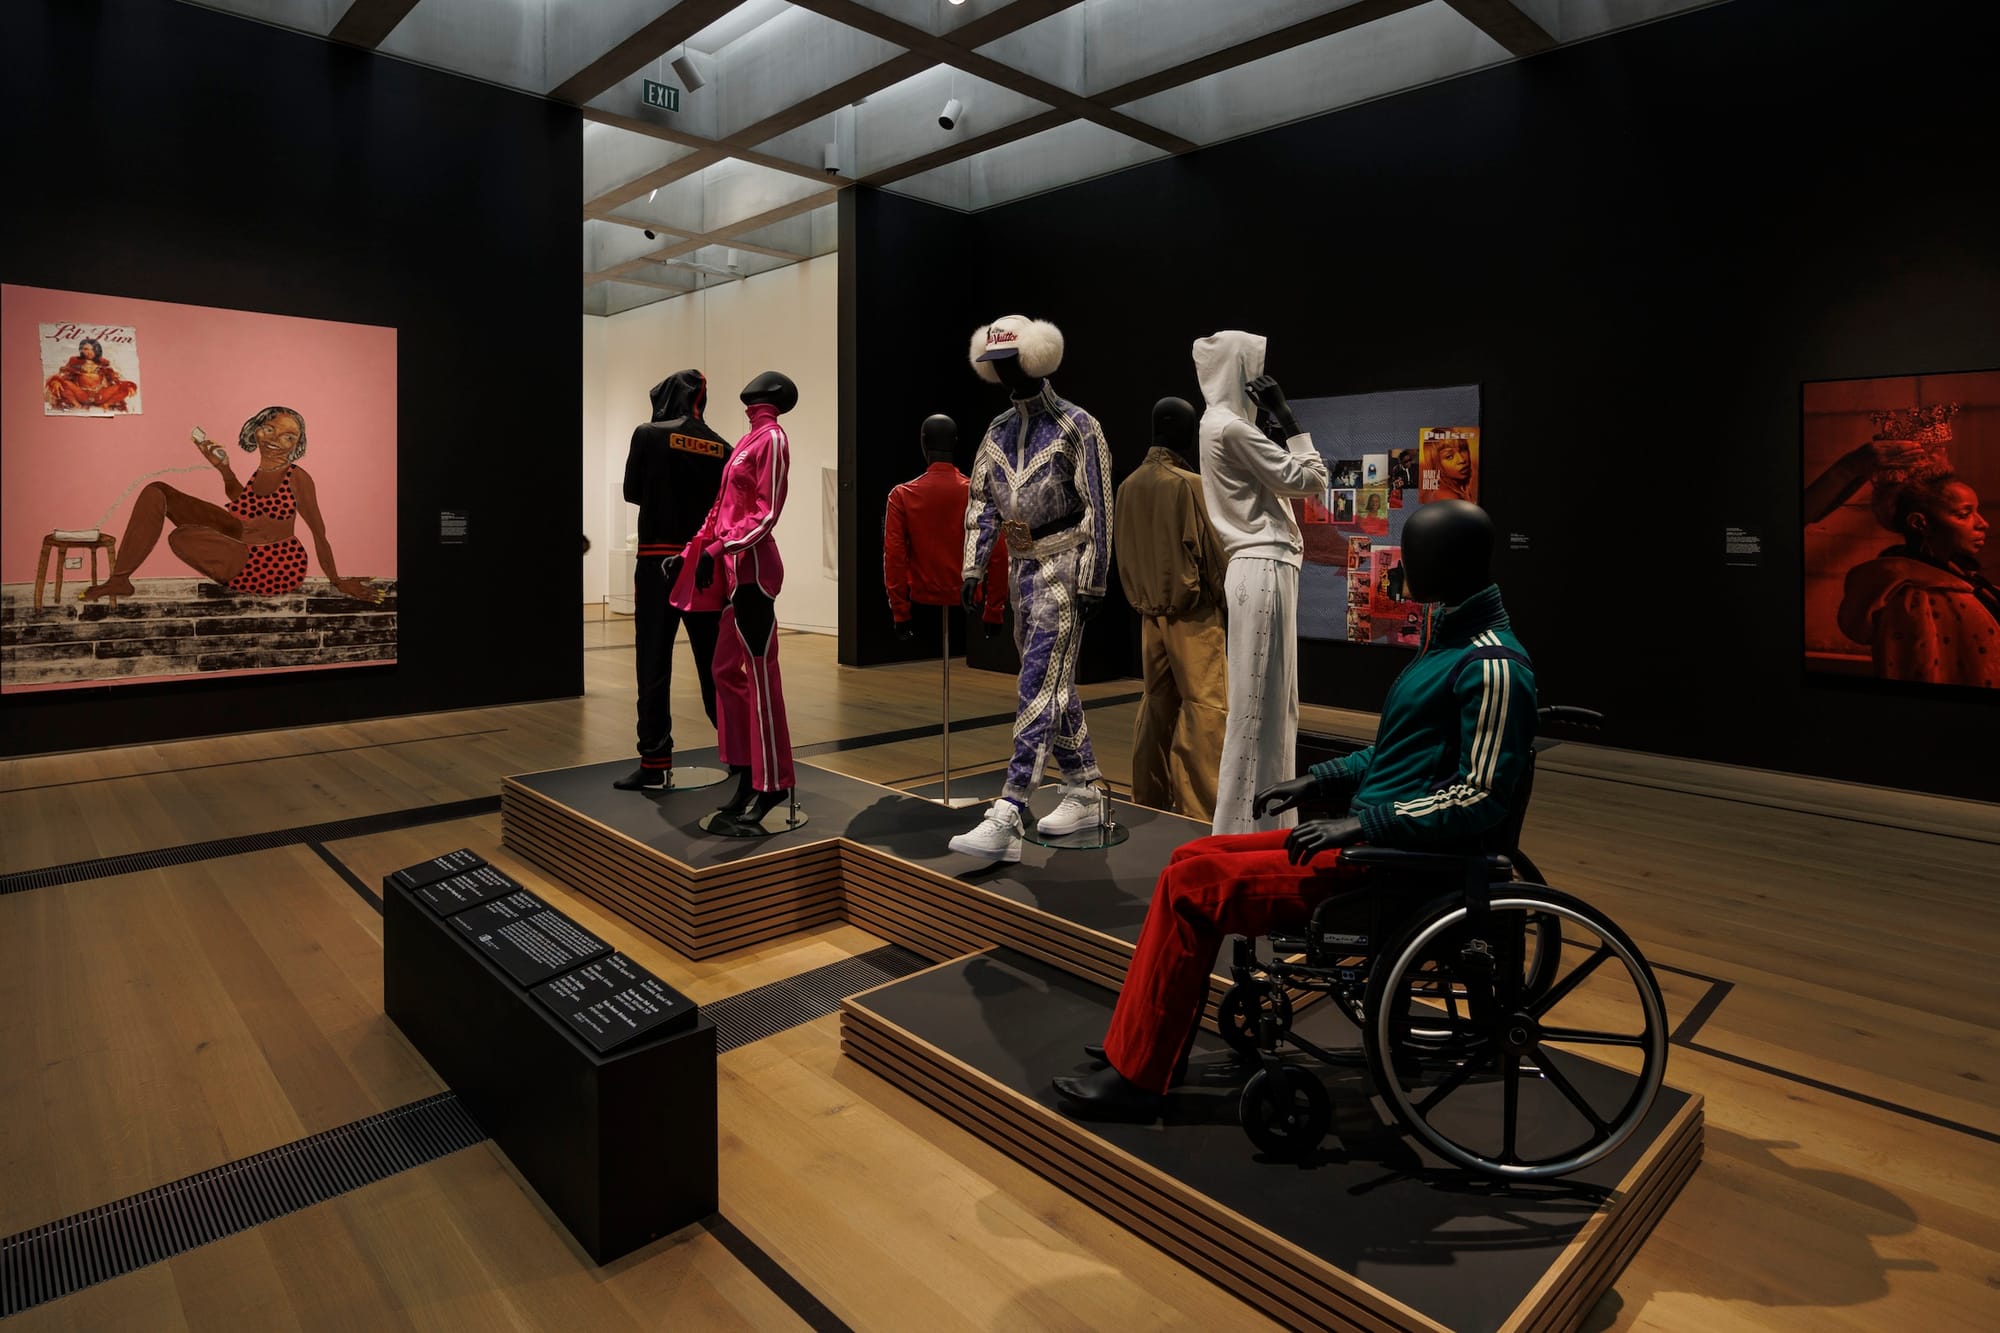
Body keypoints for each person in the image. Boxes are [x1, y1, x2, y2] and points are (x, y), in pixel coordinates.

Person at [1053, 500, 1536, 1117]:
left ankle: (1139, 1074)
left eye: (1413, 556)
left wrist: (1363, 820)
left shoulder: (1491, 666)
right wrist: (1317, 780)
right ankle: (1137, 1037)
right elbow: (1396, 754)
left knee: (1190, 888)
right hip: (1376, 844)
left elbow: (1480, 795)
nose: (1402, 566)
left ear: (1450, 562)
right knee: (1189, 856)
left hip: (1395, 863)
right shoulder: (1449, 644)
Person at [949, 315, 1114, 861]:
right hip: (1021, 570)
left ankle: (1011, 808)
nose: (1005, 373)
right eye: (996, 364)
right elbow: (981, 503)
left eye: (1011, 361)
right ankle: (1084, 787)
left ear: (1036, 358)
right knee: (1051, 683)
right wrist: (974, 568)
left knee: (1038, 684)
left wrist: (1093, 577)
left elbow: (1099, 506)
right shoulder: (996, 430)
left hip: (1064, 566)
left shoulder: (1078, 425)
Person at [1192, 331, 1330, 836]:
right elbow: (1313, 479)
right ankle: (1237, 834)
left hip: (1258, 566)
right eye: (1254, 367)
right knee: (1259, 711)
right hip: (1264, 565)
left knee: (1268, 710)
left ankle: (1264, 830)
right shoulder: (1231, 428)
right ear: (1239, 371)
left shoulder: (1216, 423)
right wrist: (1287, 417)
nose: (1262, 378)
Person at [82, 407, 382, 603]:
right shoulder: (260, 472)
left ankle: (126, 577)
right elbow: (243, 503)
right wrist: (223, 468)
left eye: (288, 437)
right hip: (241, 539)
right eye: (270, 429)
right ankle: (120, 579)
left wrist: (337, 581)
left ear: (296, 445)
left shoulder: (298, 477)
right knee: (156, 491)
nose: (276, 440)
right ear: (255, 430)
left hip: (273, 564)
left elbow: (318, 532)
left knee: (182, 537)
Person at [615, 370, 731, 791]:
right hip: (704, 564)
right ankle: (738, 754)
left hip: (656, 560)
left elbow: (632, 491)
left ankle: (655, 762)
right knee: (716, 666)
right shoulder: (723, 447)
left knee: (653, 662)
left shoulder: (648, 434)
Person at [1116, 397, 1229, 822]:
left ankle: (1148, 797)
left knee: (1156, 705)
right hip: (1193, 616)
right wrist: (1228, 606)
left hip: (1149, 616)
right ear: (1184, 431)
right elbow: (1215, 559)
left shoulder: (1128, 487)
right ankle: (1200, 812)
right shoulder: (1189, 485)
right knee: (1206, 710)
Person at [1837, 474, 1998, 687]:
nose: (1983, 524)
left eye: (1977, 511)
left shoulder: (1964, 579)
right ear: (1919, 523)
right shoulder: (1914, 599)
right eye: (1963, 514)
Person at [45, 337, 139, 412]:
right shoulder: (74, 362)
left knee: (124, 387)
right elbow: (63, 374)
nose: (89, 352)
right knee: (63, 383)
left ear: (97, 350)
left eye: (93, 349)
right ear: (81, 350)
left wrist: (127, 386)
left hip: (100, 394)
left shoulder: (103, 364)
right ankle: (76, 404)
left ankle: (106, 404)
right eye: (86, 349)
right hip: (82, 394)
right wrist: (56, 381)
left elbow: (115, 379)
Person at [1420, 431, 1477, 502]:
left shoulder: (1437, 492)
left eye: (1463, 450)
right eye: (1449, 456)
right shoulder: (1449, 497)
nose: (1462, 460)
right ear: (1435, 463)